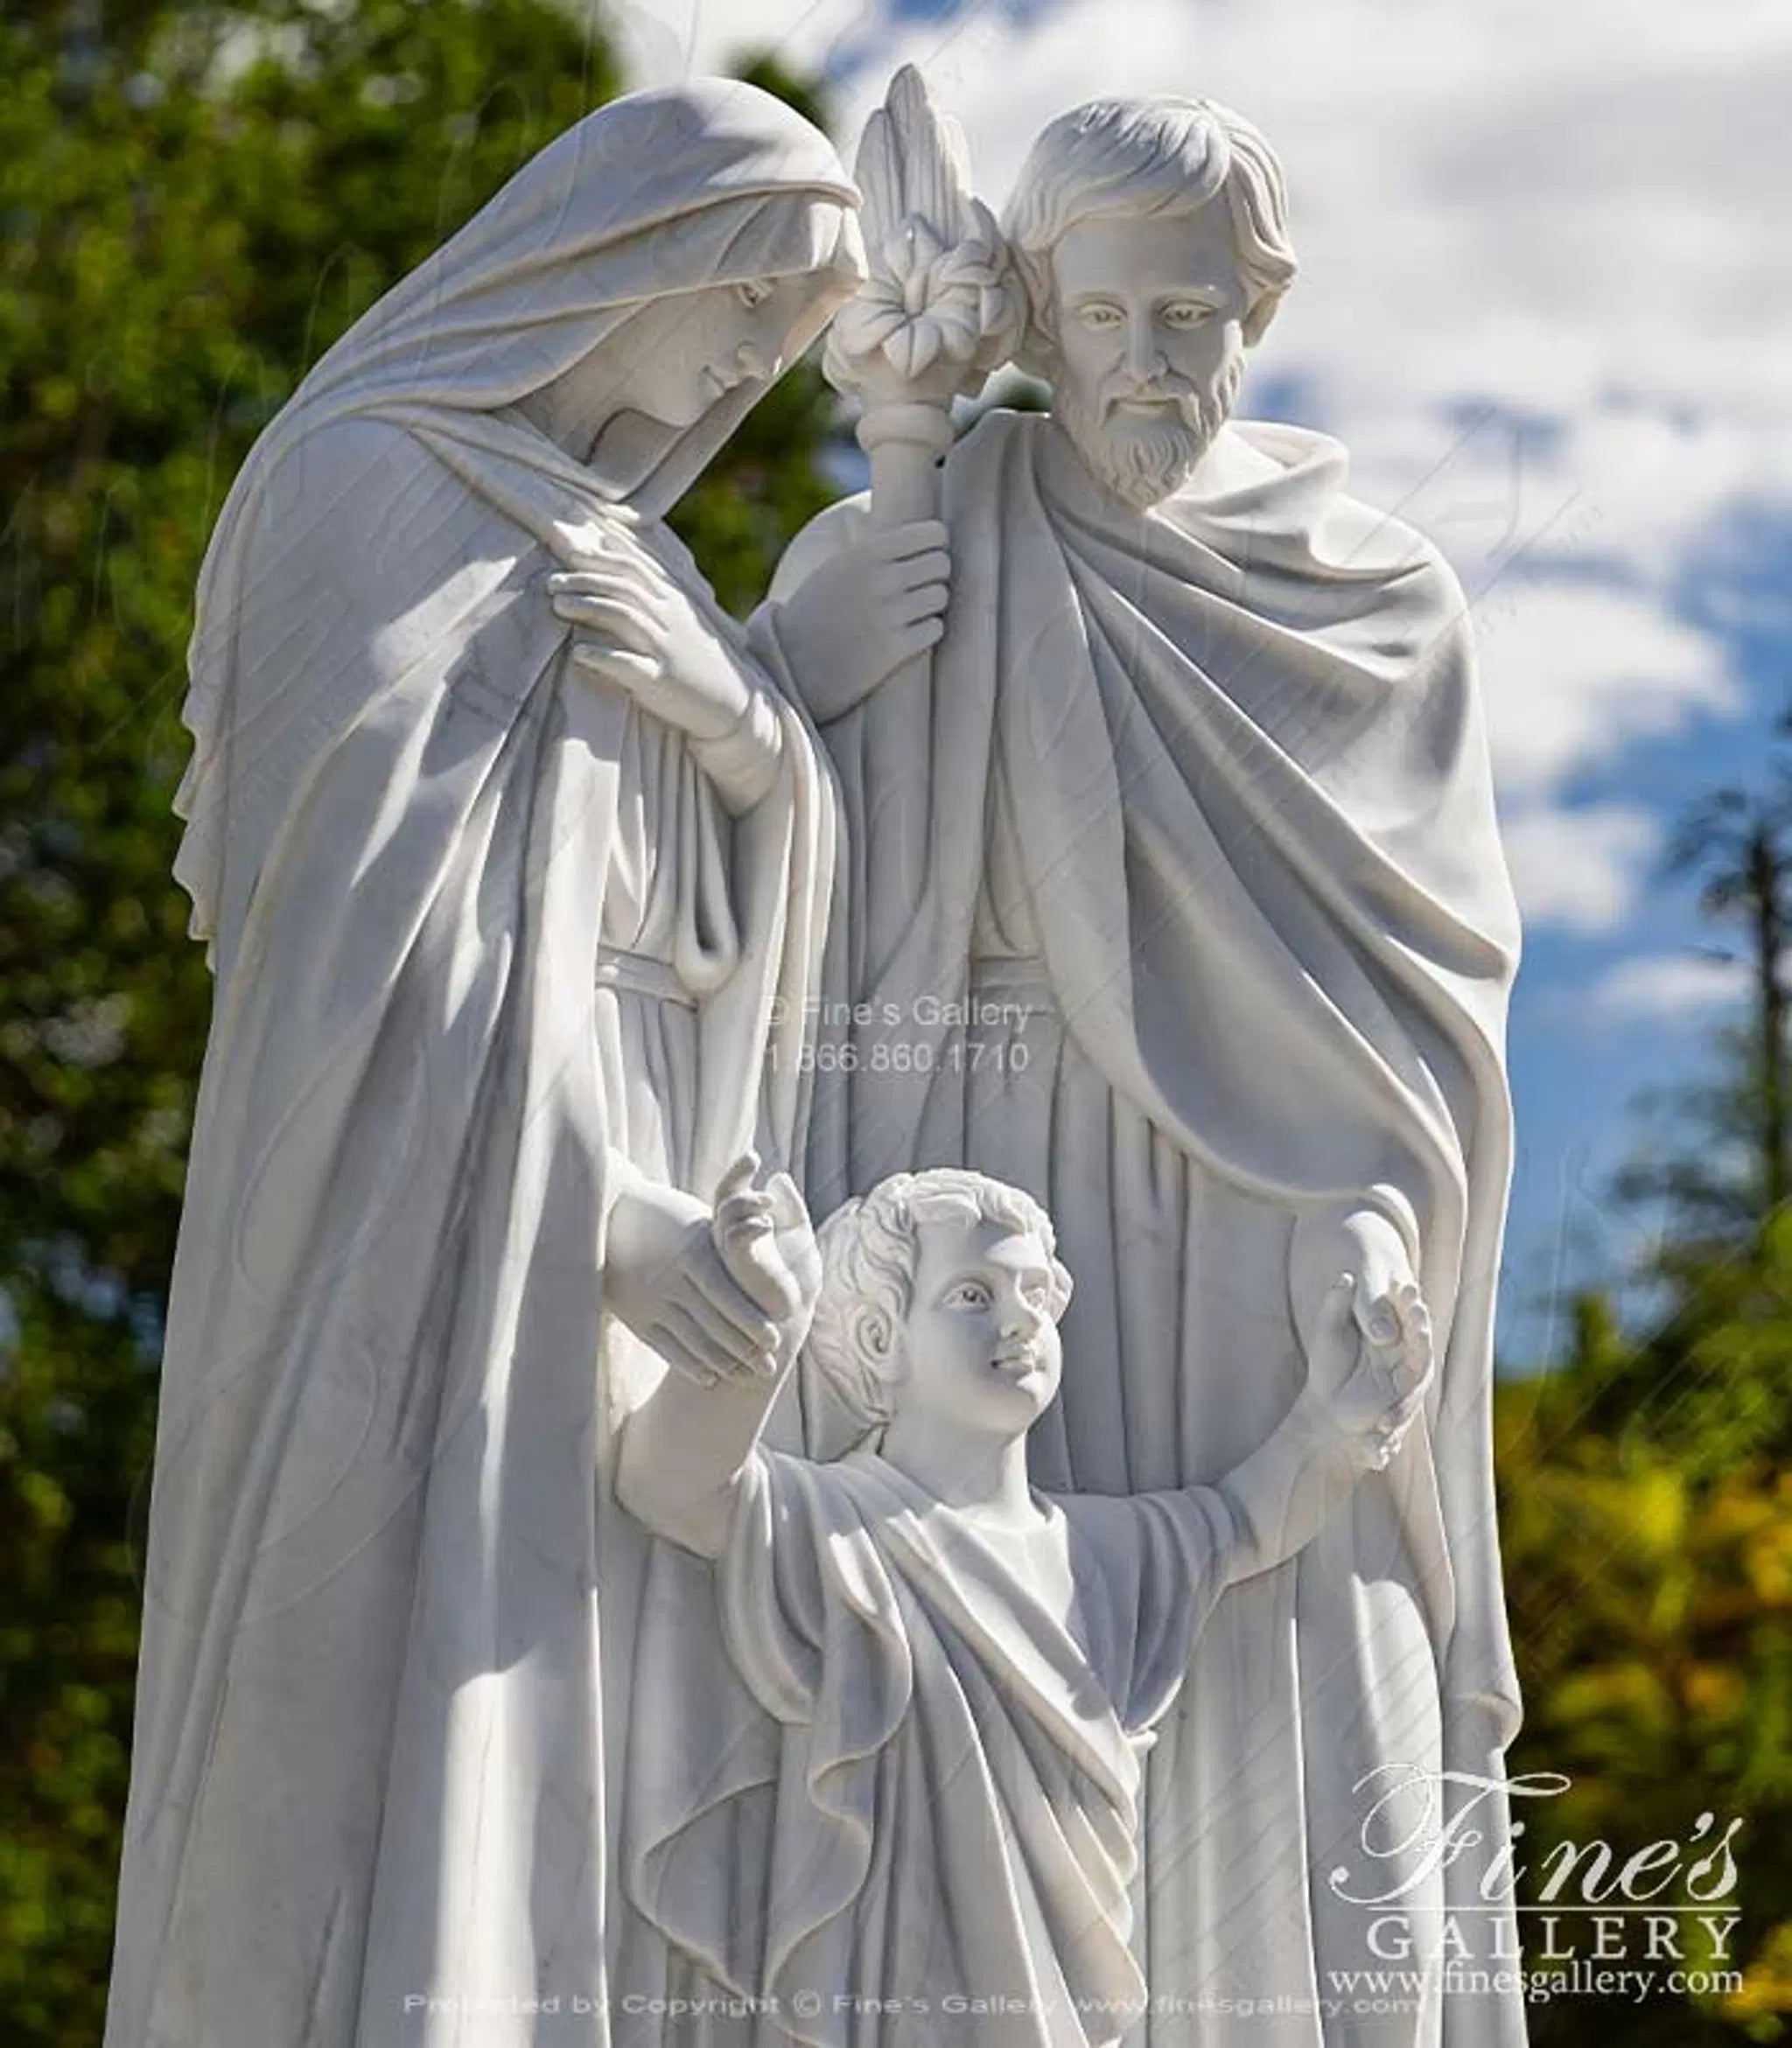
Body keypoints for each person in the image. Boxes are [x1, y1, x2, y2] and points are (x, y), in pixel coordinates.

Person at [105, 80, 861, 2048]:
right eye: (740, 298)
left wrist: (744, 735)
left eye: (783, 341)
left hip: (609, 1226)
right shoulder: (363, 483)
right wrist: (611, 1221)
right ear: (614, 246)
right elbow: (361, 957)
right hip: (401, 1230)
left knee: (563, 1758)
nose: (744, 359)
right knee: (373, 1727)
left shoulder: (628, 558)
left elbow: (711, 928)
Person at [763, 94, 1525, 2047]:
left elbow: (1418, 1010)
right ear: (1034, 313)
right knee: (986, 1735)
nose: (1148, 366)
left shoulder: (1375, 604)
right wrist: (841, 579)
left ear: (1253, 318)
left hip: (1267, 1243)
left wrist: (1375, 1213)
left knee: (1273, 1691)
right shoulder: (950, 517)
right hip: (980, 1191)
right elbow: (803, 873)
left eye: (1189, 319)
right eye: (1104, 320)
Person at [617, 1169, 1432, 2048]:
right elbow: (667, 1484)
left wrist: (1337, 1425)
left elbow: (1243, 1522)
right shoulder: (837, 1524)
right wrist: (754, 1346)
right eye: (972, 1294)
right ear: (879, 1336)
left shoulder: (1107, 1553)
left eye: (1034, 1291)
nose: (1019, 1320)